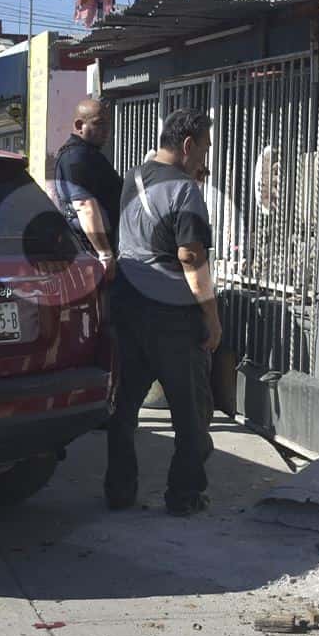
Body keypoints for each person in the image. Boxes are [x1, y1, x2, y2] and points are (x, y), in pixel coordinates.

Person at [104, 107, 220, 516]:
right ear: (188, 145)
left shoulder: (133, 177)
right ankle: (184, 495)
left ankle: (119, 491)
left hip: (127, 306)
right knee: (191, 413)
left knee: (125, 407)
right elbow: (190, 256)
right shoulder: (186, 191)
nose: (205, 159)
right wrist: (212, 316)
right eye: (204, 149)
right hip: (171, 314)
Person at [52, 98, 124, 272]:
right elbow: (85, 207)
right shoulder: (76, 158)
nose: (106, 130)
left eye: (108, 124)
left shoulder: (87, 154)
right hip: (91, 254)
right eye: (99, 124)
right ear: (79, 125)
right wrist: (104, 254)